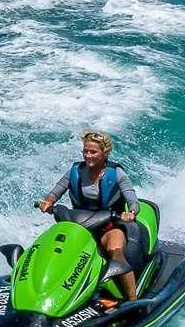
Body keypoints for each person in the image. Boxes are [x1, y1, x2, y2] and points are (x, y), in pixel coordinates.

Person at [37, 130, 140, 308]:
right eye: (86, 151)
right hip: (80, 226)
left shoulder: (116, 173)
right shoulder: (75, 171)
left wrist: (130, 212)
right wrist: (48, 202)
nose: (88, 155)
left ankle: (133, 301)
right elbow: (56, 191)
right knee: (56, 246)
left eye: (93, 152)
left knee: (114, 248)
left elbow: (133, 200)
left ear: (104, 153)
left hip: (110, 225)